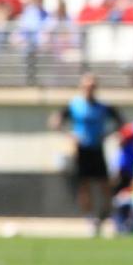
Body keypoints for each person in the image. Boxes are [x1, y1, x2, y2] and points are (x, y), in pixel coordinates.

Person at [50, 74, 122, 234]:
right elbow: (55, 121)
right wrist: (70, 135)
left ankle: (104, 216)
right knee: (84, 186)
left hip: (97, 148)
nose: (89, 89)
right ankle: (90, 219)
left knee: (105, 185)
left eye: (92, 86)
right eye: (87, 86)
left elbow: (120, 122)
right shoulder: (75, 105)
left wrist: (107, 134)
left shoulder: (103, 107)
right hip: (82, 150)